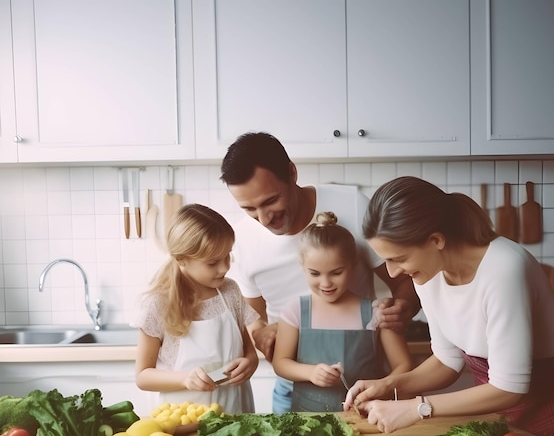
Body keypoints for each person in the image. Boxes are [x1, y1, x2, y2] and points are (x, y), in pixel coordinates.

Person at [344, 176, 554, 436]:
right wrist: (389, 384)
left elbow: (509, 387)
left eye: (399, 259)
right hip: (502, 413)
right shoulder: (426, 274)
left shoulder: (504, 268)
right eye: (386, 260)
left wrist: (416, 408)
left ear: (436, 240)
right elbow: (447, 361)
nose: (392, 273)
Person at [220, 131, 420, 413]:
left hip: (364, 382)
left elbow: (406, 279)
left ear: (292, 172)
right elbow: (254, 318)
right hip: (293, 387)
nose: (264, 219)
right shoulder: (241, 238)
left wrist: (402, 308)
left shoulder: (353, 204)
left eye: (270, 201)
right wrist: (261, 333)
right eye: (250, 209)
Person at [272, 212, 413, 412]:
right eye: (314, 273)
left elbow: (404, 365)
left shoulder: (377, 312)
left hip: (364, 415)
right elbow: (281, 363)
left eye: (336, 273)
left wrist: (381, 388)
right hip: (307, 419)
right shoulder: (295, 310)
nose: (326, 283)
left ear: (354, 266)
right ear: (303, 267)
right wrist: (311, 372)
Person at [135, 204, 259, 414]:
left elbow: (249, 351)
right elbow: (143, 376)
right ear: (181, 260)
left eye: (227, 256)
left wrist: (250, 362)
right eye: (212, 263)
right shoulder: (158, 305)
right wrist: (185, 379)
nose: (224, 267)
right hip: (184, 419)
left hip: (236, 412)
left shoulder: (230, 292)